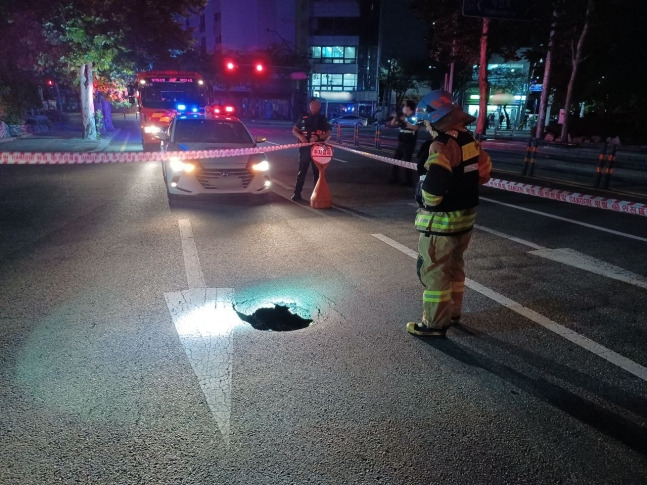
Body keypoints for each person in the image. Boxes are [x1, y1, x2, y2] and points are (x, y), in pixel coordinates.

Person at [407, 90, 492, 337]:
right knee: (455, 269)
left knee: (434, 273)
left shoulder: (441, 144)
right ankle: (453, 313)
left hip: (441, 223)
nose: (425, 127)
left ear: (434, 120)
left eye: (425, 122)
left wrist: (427, 200)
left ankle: (434, 324)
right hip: (465, 219)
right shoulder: (469, 139)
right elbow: (484, 172)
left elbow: (434, 185)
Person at [291, 98, 331, 201]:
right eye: (312, 105)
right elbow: (295, 130)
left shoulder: (322, 119)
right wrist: (300, 137)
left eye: (316, 105)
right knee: (301, 172)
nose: (314, 107)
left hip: (317, 149)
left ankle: (317, 195)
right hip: (304, 149)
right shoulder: (303, 117)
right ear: (309, 106)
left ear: (319, 106)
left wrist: (318, 138)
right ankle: (297, 193)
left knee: (317, 173)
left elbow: (328, 133)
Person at [387, 99, 419, 185]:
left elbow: (415, 127)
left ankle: (408, 180)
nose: (403, 107)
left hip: (409, 141)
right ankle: (394, 178)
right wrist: (395, 117)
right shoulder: (402, 116)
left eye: (404, 106)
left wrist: (405, 120)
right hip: (401, 141)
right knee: (396, 159)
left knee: (407, 161)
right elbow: (393, 124)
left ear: (409, 107)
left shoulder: (413, 117)